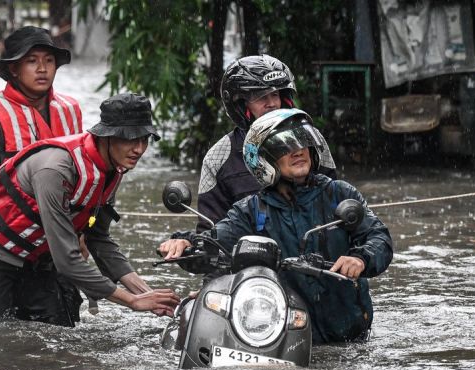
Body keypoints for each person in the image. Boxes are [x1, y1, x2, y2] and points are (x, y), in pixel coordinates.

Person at [0, 93, 180, 335]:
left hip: (35, 255)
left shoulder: (113, 170)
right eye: (129, 138)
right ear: (106, 137)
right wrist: (132, 302)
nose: (139, 149)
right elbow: (67, 260)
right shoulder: (56, 169)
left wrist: (146, 294)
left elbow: (99, 239)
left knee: (58, 330)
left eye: (144, 139)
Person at [159, 109, 392, 343]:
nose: (298, 151)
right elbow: (215, 243)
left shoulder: (340, 193)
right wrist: (186, 242)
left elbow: (378, 238)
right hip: (286, 335)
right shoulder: (250, 210)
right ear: (263, 159)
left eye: (303, 142)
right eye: (285, 147)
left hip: (351, 340)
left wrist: (360, 259)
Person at [197, 55, 337, 231]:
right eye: (260, 96)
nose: (271, 104)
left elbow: (334, 200)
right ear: (241, 105)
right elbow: (209, 230)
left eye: (275, 95)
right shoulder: (218, 157)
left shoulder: (311, 139)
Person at [0, 25, 82, 195]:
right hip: (14, 219)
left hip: (62, 215)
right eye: (32, 61)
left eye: (49, 60)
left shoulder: (70, 110)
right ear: (14, 69)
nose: (42, 69)